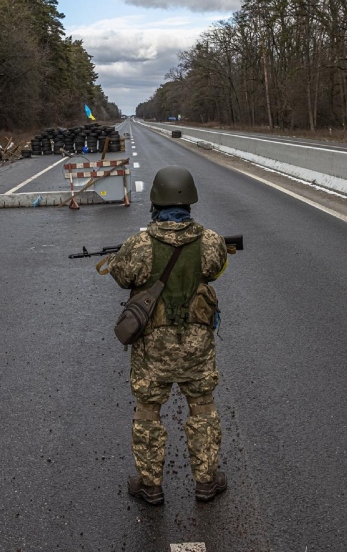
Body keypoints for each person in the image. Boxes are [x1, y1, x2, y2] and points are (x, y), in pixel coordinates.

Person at [108, 165, 229, 505]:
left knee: (148, 410)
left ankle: (151, 485)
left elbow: (121, 275)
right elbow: (216, 269)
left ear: (156, 200)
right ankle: (206, 481)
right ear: (190, 200)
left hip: (153, 347)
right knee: (202, 407)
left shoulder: (139, 244)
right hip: (197, 346)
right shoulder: (211, 241)